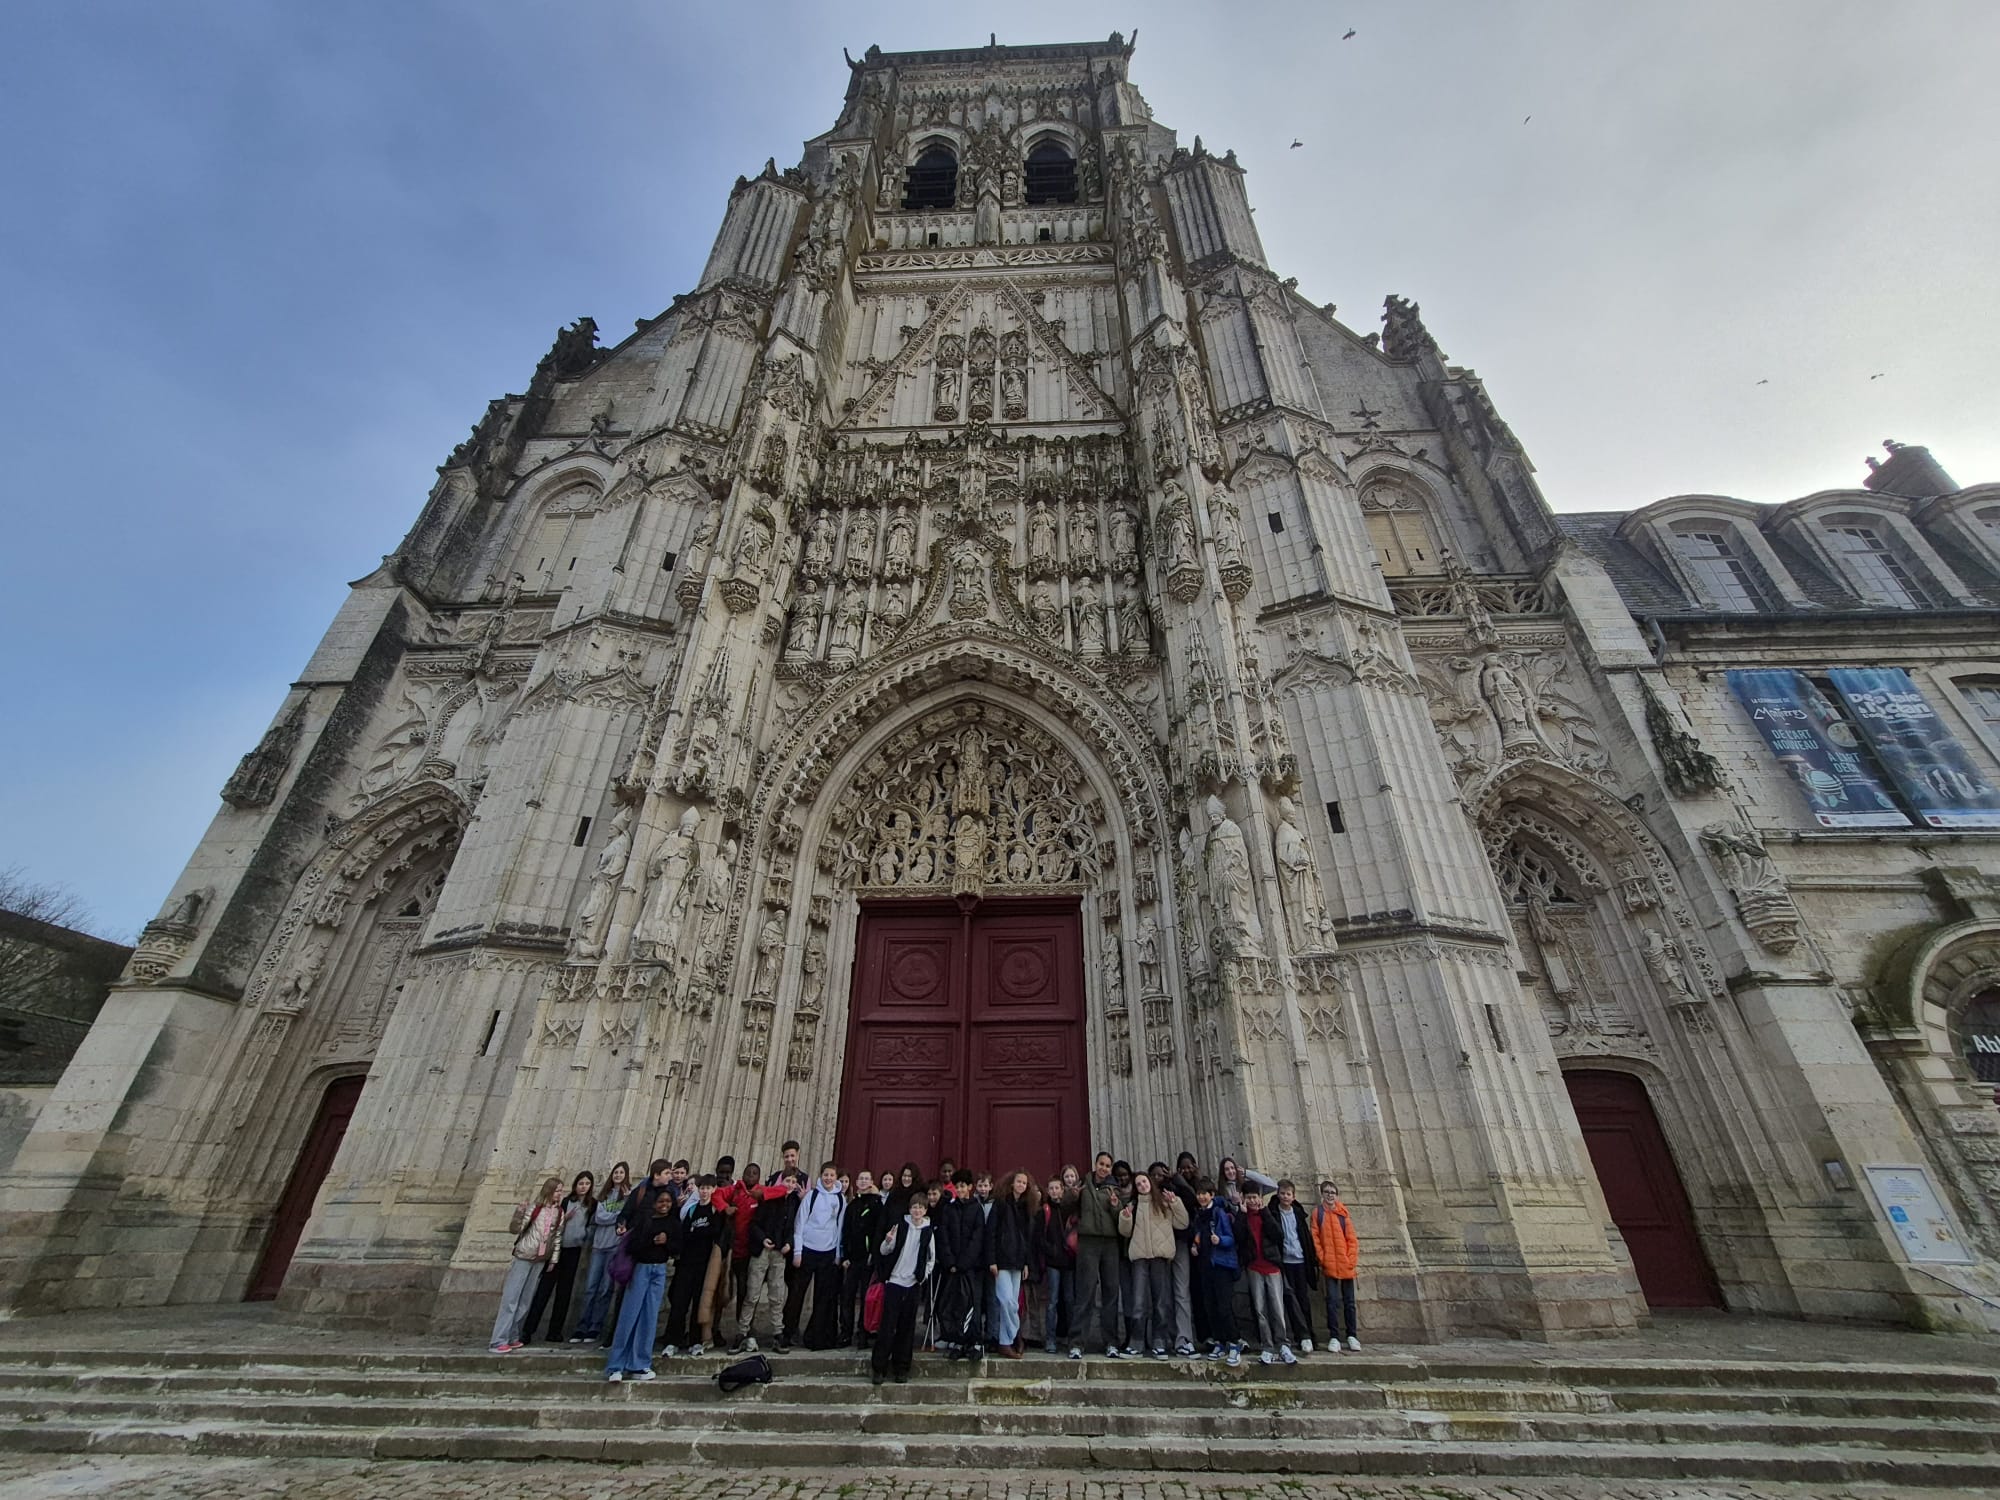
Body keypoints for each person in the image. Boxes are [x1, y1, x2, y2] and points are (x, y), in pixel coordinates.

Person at [604, 1160, 675, 1381]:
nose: (665, 1204)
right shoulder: (642, 1194)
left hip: (658, 1266)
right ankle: (616, 1365)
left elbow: (677, 1239)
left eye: (667, 1202)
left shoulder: (672, 1200)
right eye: (667, 1172)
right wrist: (626, 1227)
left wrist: (667, 1242)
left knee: (649, 1316)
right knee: (629, 1313)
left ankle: (639, 1363)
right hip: (640, 1265)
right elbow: (627, 1221)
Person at [1117, 1169, 1186, 1358]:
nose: (1142, 1185)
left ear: (1150, 1183)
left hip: (1159, 1257)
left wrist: (1175, 1203)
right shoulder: (1133, 1204)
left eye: (1144, 1182)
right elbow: (1125, 1232)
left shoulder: (1163, 1202)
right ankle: (1136, 1343)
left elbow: (1182, 1223)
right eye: (1138, 1184)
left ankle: (1159, 1342)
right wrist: (1126, 1217)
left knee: (1161, 1302)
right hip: (1140, 1257)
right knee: (1139, 1302)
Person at [490, 1175, 564, 1353]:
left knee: (525, 1300)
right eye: (557, 1191)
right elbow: (515, 1229)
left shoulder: (559, 1212)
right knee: (511, 1298)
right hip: (524, 1255)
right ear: (549, 1191)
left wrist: (553, 1259)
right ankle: (498, 1339)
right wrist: (519, 1213)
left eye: (561, 1191)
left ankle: (513, 1335)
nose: (559, 1194)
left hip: (540, 1258)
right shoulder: (535, 1208)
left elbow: (557, 1236)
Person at [869, 1189, 936, 1385]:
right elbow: (885, 1250)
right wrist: (888, 1240)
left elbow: (931, 1258)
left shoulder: (928, 1232)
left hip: (912, 1284)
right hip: (895, 1281)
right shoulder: (900, 1226)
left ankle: (901, 1368)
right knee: (887, 1326)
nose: (917, 1211)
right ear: (910, 1209)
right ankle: (879, 1368)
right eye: (914, 1207)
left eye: (921, 1208)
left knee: (907, 1328)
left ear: (925, 1211)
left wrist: (922, 1276)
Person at [521, 1170, 595, 1343]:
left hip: (574, 1250)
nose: (583, 1187)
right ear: (575, 1185)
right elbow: (554, 1224)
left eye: (587, 1184)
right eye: (581, 1183)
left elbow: (591, 1225)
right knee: (543, 1290)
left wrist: (584, 1236)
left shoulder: (592, 1205)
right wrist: (565, 1219)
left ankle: (555, 1331)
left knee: (564, 1292)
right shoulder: (567, 1201)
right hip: (557, 1249)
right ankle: (528, 1330)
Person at [735, 1168, 799, 1353]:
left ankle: (778, 1333)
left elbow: (793, 1227)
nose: (790, 1185)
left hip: (779, 1253)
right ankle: (742, 1332)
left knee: (777, 1295)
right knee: (752, 1293)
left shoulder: (794, 1202)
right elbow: (754, 1224)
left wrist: (789, 1243)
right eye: (787, 1181)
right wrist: (763, 1239)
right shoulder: (768, 1199)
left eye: (793, 1182)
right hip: (763, 1251)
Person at [659, 1174, 723, 1357]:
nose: (704, 1191)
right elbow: (684, 1234)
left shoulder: (715, 1211)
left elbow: (715, 1233)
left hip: (704, 1264)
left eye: (708, 1188)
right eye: (702, 1188)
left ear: (713, 1190)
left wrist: (698, 1232)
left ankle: (696, 1341)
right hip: (686, 1262)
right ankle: (673, 1340)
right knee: (680, 1302)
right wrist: (698, 1233)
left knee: (698, 1303)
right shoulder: (692, 1210)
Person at [788, 1160, 848, 1349]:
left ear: (836, 1178)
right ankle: (788, 1332)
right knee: (797, 1293)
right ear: (821, 1176)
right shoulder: (811, 1196)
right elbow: (800, 1223)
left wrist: (837, 1254)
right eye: (825, 1175)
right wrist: (798, 1251)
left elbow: (839, 1227)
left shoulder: (840, 1199)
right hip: (807, 1250)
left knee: (822, 1297)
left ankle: (816, 1337)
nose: (828, 1178)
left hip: (827, 1252)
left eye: (832, 1175)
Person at [933, 1170, 988, 1359]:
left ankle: (974, 1342)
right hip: (952, 1266)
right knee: (954, 1303)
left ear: (970, 1187)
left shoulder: (976, 1209)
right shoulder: (949, 1209)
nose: (960, 1190)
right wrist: (950, 1261)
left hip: (971, 1267)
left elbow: (977, 1238)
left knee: (972, 1303)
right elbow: (943, 1236)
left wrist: (964, 1262)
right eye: (957, 1187)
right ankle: (957, 1340)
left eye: (963, 1186)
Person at [1074, 1151, 1124, 1358]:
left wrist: (1115, 1205)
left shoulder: (1114, 1188)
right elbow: (1068, 1207)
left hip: (1110, 1243)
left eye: (1107, 1165)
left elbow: (1120, 1217)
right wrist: (1072, 1195)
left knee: (1111, 1292)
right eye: (1101, 1164)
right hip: (1088, 1242)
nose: (1104, 1168)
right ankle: (1077, 1342)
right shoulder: (1082, 1185)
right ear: (1095, 1164)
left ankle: (1111, 1342)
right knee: (1085, 1292)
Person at [573, 1161, 629, 1343]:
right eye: (616, 1172)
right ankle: (582, 1326)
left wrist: (617, 1214)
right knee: (590, 1288)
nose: (618, 1175)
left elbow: (626, 1217)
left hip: (614, 1246)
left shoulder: (627, 1196)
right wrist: (617, 1216)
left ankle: (595, 1327)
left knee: (606, 1288)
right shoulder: (603, 1195)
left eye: (621, 1173)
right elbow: (599, 1217)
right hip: (598, 1245)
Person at [1190, 1177, 1242, 1366]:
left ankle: (1234, 1342)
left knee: (1224, 1307)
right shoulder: (1199, 1215)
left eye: (1205, 1194)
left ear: (1212, 1195)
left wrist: (1220, 1240)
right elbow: (1198, 1235)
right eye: (1199, 1194)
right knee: (1210, 1307)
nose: (1201, 1197)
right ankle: (1219, 1341)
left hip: (1221, 1265)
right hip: (1205, 1266)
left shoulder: (1219, 1213)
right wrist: (1195, 1246)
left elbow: (1230, 1238)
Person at [1240, 1186, 1293, 1365]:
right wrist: (1241, 1214)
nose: (1252, 1201)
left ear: (1260, 1198)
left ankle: (1283, 1344)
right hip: (1254, 1267)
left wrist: (1265, 1213)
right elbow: (1239, 1237)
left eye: (1255, 1197)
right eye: (1249, 1197)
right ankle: (1267, 1345)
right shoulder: (1243, 1217)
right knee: (1260, 1309)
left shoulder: (1267, 1213)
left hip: (1272, 1266)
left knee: (1277, 1308)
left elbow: (1278, 1235)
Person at [987, 1170, 1036, 1359]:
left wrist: (1026, 1263)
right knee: (1006, 1301)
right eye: (1019, 1181)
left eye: (1024, 1183)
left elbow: (1027, 1238)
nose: (1021, 1185)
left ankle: (1007, 1340)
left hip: (1017, 1261)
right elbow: (991, 1232)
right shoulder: (1000, 1203)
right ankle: (1013, 1337)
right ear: (1012, 1183)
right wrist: (992, 1260)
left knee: (1013, 1302)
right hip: (1001, 1261)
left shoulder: (1025, 1207)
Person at [1268, 1179, 1319, 1352]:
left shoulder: (1298, 1214)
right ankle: (1301, 1335)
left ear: (1293, 1196)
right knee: (1290, 1299)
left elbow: (1305, 1237)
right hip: (1285, 1261)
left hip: (1300, 1261)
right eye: (1282, 1193)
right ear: (1278, 1195)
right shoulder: (1273, 1213)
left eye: (1288, 1194)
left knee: (1303, 1298)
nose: (1285, 1197)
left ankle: (1309, 1335)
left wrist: (1312, 1258)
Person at [1312, 1178, 1361, 1351]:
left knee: (1349, 1302)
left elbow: (1352, 1239)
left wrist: (1350, 1260)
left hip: (1345, 1264)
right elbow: (1315, 1238)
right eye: (1327, 1192)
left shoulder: (1343, 1213)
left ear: (1337, 1195)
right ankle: (1334, 1336)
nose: (1330, 1195)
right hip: (1329, 1264)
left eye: (1333, 1192)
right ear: (1322, 1194)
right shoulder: (1318, 1213)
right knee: (1331, 1302)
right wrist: (1323, 1258)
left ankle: (1352, 1335)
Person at [839, 1170, 883, 1348]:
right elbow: (846, 1231)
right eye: (861, 1179)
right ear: (856, 1182)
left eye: (867, 1179)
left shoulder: (877, 1204)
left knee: (866, 1297)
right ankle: (845, 1333)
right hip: (852, 1258)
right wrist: (845, 1255)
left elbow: (878, 1230)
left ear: (871, 1182)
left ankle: (863, 1333)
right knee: (847, 1296)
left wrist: (873, 1253)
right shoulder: (852, 1205)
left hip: (868, 1258)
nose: (863, 1181)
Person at [1035, 1174, 1077, 1355]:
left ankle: (1073, 1339)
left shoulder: (1070, 1210)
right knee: (1052, 1301)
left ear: (1062, 1189)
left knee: (1070, 1300)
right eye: (1051, 1188)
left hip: (1069, 1261)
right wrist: (1051, 1250)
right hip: (1053, 1262)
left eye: (1057, 1188)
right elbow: (1039, 1237)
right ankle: (1050, 1339)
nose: (1054, 1191)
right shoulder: (1045, 1210)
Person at [1165, 1155, 1201, 1355]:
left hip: (1182, 1243)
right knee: (1164, 1293)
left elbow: (1193, 1201)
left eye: (1189, 1167)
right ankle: (1166, 1337)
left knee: (1181, 1291)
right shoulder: (1161, 1190)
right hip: (1161, 1245)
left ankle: (1184, 1338)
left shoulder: (1183, 1189)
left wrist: (1178, 1181)